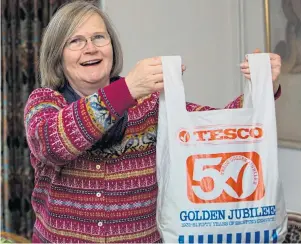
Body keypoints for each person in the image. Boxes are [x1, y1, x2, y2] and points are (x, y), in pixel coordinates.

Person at [24, 1, 282, 243]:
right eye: (75, 41)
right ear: (58, 55)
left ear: (112, 46)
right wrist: (128, 89)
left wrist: (262, 88)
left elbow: (214, 131)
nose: (90, 47)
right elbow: (52, 144)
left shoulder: (149, 105)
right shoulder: (45, 102)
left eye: (98, 37)